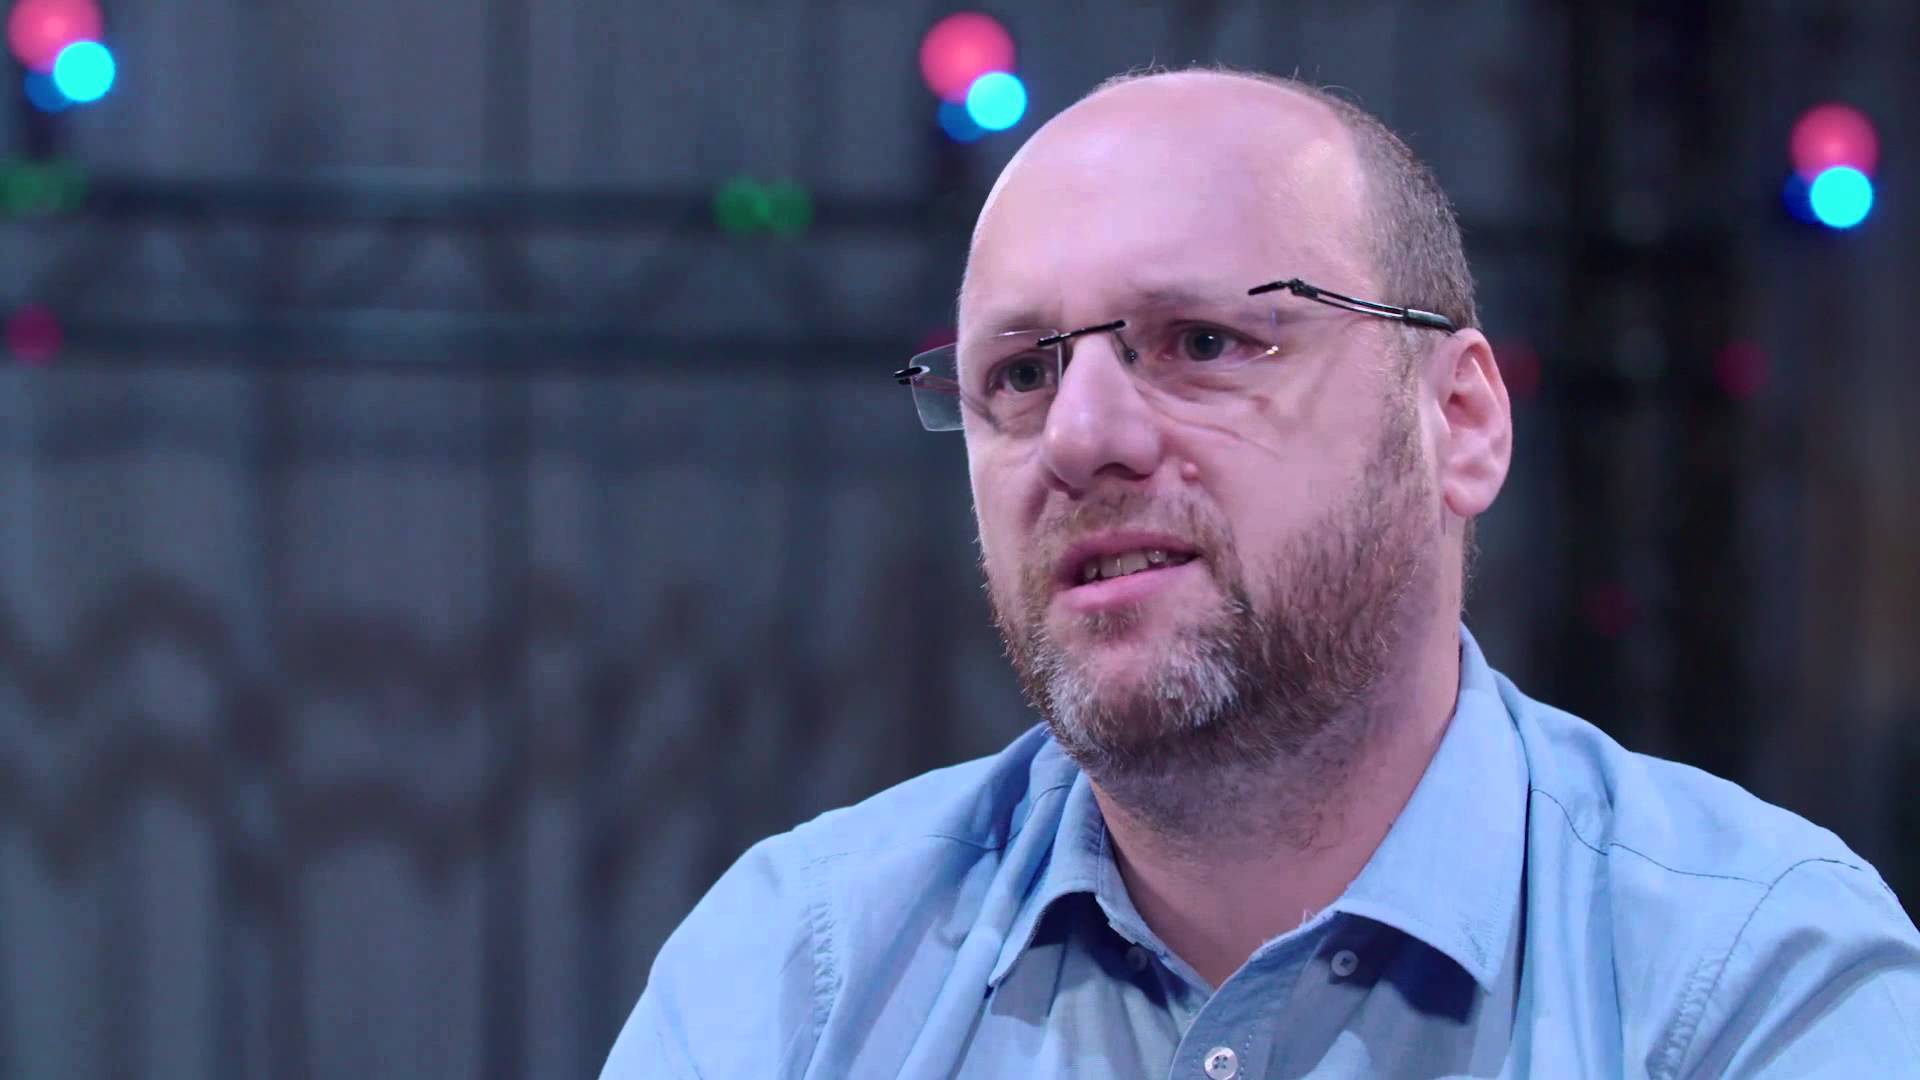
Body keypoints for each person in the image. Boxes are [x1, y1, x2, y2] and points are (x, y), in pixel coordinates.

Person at [602, 67, 1920, 1078]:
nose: (1080, 437)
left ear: (1460, 422)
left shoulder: (1748, 980)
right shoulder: (799, 978)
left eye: (1204, 343)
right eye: (1018, 373)